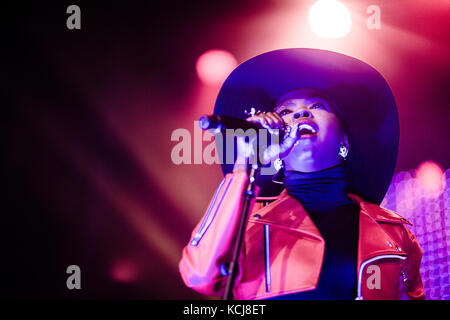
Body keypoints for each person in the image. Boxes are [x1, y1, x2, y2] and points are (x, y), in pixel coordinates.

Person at [179, 48, 425, 300]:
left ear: (344, 138)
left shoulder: (395, 233)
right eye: (285, 112)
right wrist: (246, 163)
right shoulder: (248, 224)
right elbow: (199, 274)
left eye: (317, 105)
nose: (300, 114)